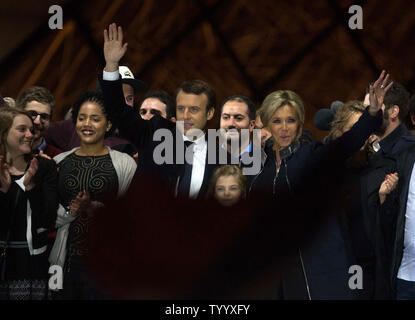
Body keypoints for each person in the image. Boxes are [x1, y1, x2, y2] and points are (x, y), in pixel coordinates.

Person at [247, 72, 389, 299]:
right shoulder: (257, 171)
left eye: (290, 120)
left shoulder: (312, 156)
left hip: (322, 272)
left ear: (300, 123)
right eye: (277, 120)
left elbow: (348, 142)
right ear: (266, 123)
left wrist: (371, 112)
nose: (284, 127)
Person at [100, 23, 220, 199]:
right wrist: (111, 66)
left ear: (209, 113)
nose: (186, 115)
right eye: (181, 108)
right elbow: (119, 111)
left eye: (194, 109)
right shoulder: (155, 132)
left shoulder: (220, 158)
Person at [49, 91, 137, 299]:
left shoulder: (125, 164)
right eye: (82, 118)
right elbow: (45, 214)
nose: (87, 124)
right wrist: (73, 211)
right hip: (62, 261)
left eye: (95, 119)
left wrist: (94, 209)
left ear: (108, 125)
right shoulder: (59, 162)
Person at [0, 107, 58, 300]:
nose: (30, 135)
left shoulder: (44, 167)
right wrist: (4, 192)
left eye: (31, 130)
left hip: (31, 264)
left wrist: (31, 187)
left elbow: (48, 219)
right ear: (4, 133)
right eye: (22, 129)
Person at [44, 65, 145, 155]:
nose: (125, 104)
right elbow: (37, 135)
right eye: (118, 97)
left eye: (129, 98)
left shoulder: (139, 139)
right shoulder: (73, 128)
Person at [15, 86, 61, 158]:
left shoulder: (58, 158)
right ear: (17, 114)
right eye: (32, 114)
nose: (37, 122)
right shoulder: (4, 148)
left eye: (44, 116)